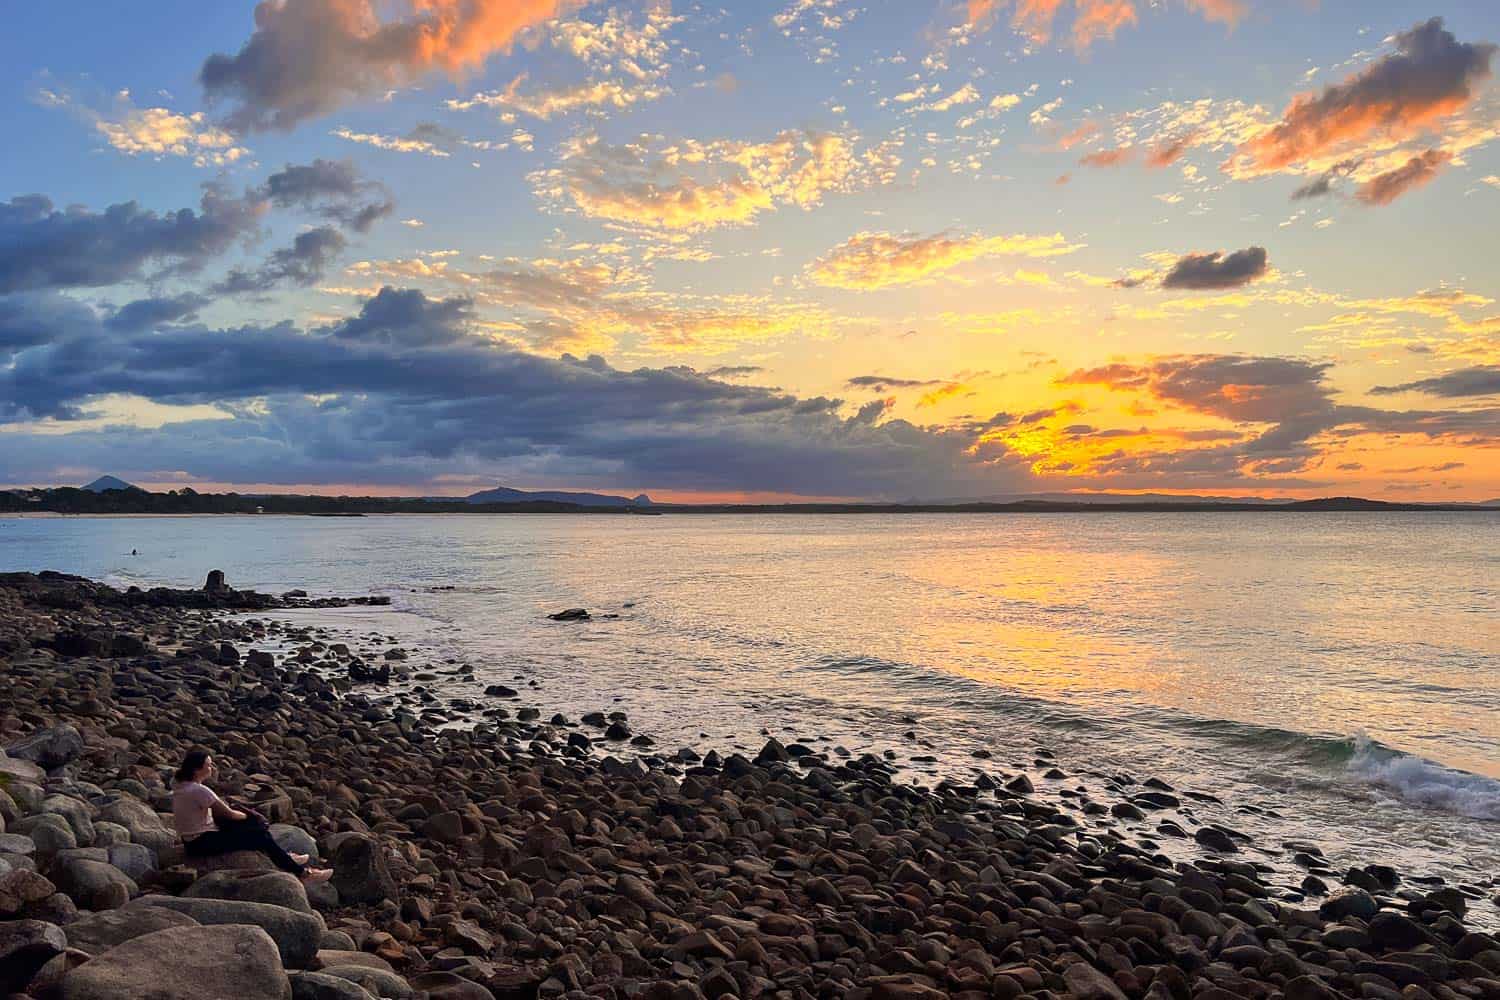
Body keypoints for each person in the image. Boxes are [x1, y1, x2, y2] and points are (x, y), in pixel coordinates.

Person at [171, 749, 331, 883]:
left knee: (256, 832)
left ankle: (283, 856)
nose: (212, 767)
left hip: (192, 839)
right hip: (201, 842)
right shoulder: (199, 790)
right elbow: (229, 814)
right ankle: (303, 873)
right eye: (208, 764)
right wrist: (248, 816)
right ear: (197, 769)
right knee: (259, 833)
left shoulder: (179, 784)